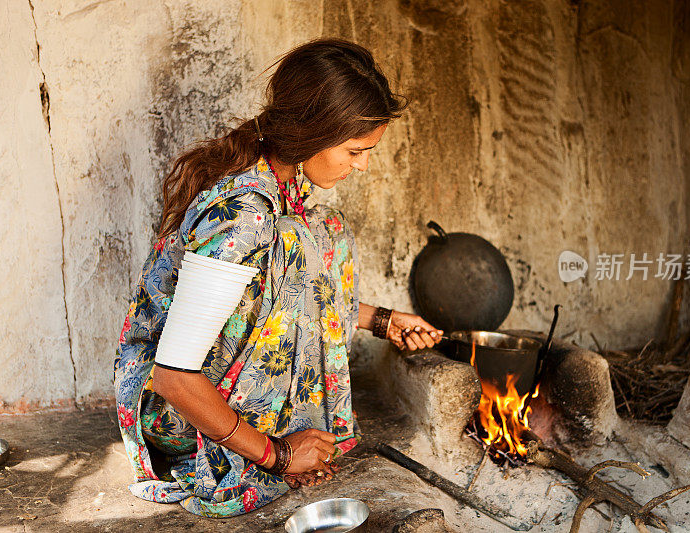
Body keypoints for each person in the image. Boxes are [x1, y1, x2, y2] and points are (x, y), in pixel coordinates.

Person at [113, 38, 443, 518]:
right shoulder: (246, 213)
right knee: (302, 234)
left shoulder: (285, 183)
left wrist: (381, 320)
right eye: (354, 151)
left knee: (322, 228)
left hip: (205, 386)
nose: (363, 165)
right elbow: (173, 377)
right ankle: (258, 441)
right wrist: (277, 454)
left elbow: (273, 301)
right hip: (177, 413)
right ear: (312, 132)